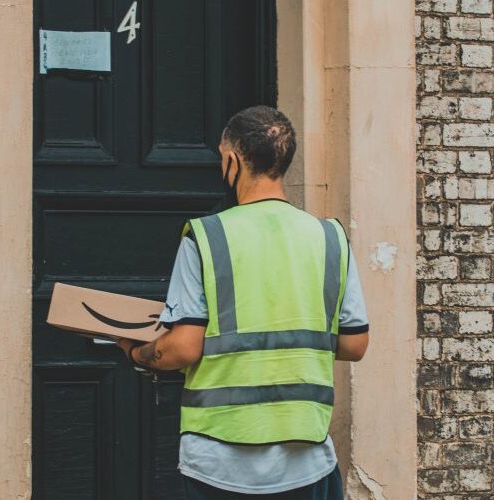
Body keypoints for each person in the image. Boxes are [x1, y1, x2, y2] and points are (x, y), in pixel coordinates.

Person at [116, 105, 369, 500]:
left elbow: (182, 348)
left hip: (219, 460)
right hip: (305, 458)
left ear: (232, 159)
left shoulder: (205, 237)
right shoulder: (330, 238)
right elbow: (355, 344)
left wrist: (137, 352)